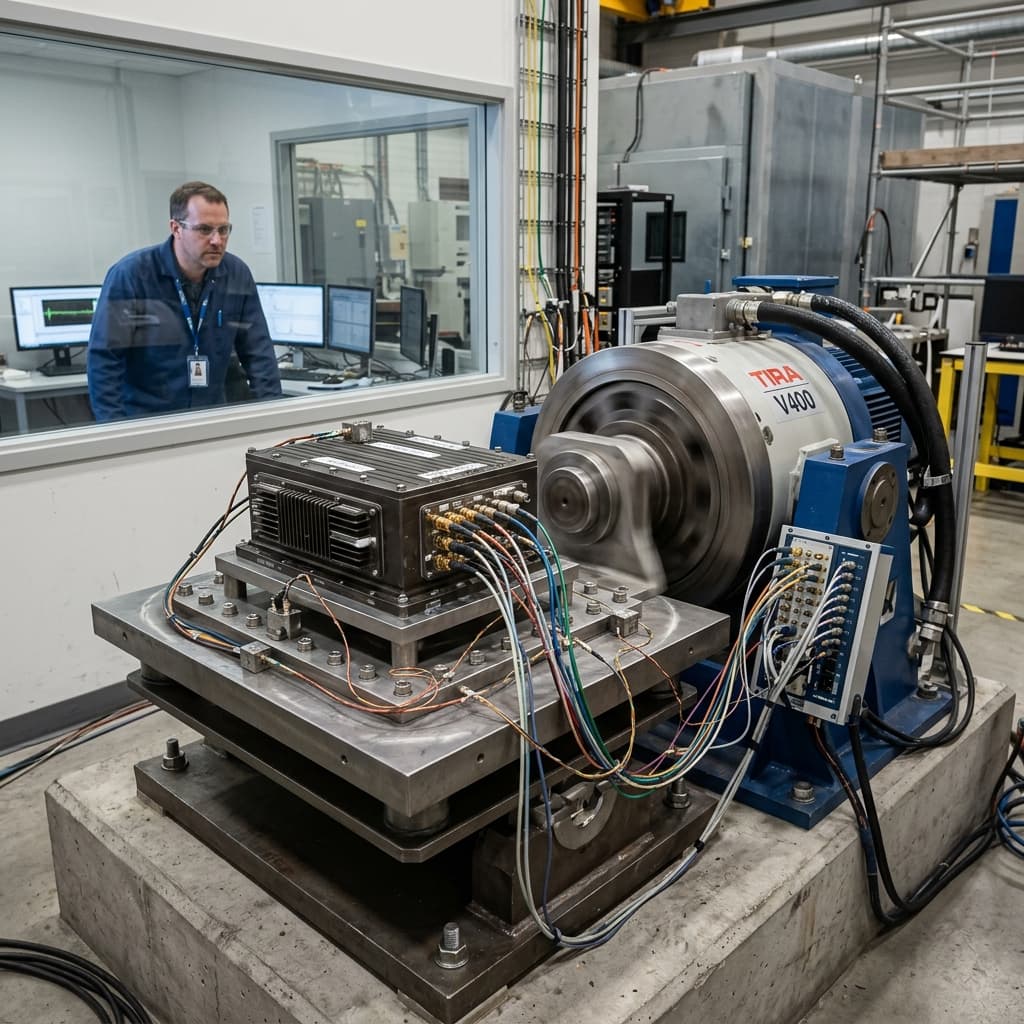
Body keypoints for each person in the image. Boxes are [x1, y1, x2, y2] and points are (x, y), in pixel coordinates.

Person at [87, 181, 281, 420]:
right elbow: (104, 361)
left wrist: (274, 418)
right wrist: (113, 432)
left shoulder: (236, 273)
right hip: (146, 421)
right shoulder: (132, 275)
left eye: (223, 230)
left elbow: (258, 352)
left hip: (211, 417)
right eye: (204, 229)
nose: (217, 240)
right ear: (176, 228)